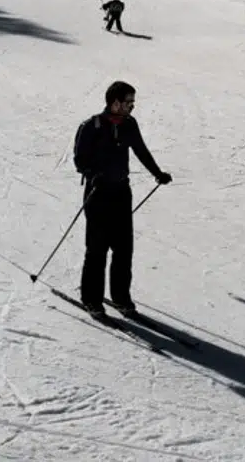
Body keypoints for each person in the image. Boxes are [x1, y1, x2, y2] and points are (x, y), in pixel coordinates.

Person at [72, 82, 172, 316]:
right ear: (114, 102)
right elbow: (79, 159)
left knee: (123, 248)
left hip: (121, 192)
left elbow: (140, 150)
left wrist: (157, 173)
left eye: (133, 102)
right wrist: (91, 175)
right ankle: (91, 298)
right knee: (97, 249)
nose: (132, 106)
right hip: (98, 194)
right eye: (128, 102)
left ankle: (121, 297)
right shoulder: (91, 126)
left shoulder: (129, 124)